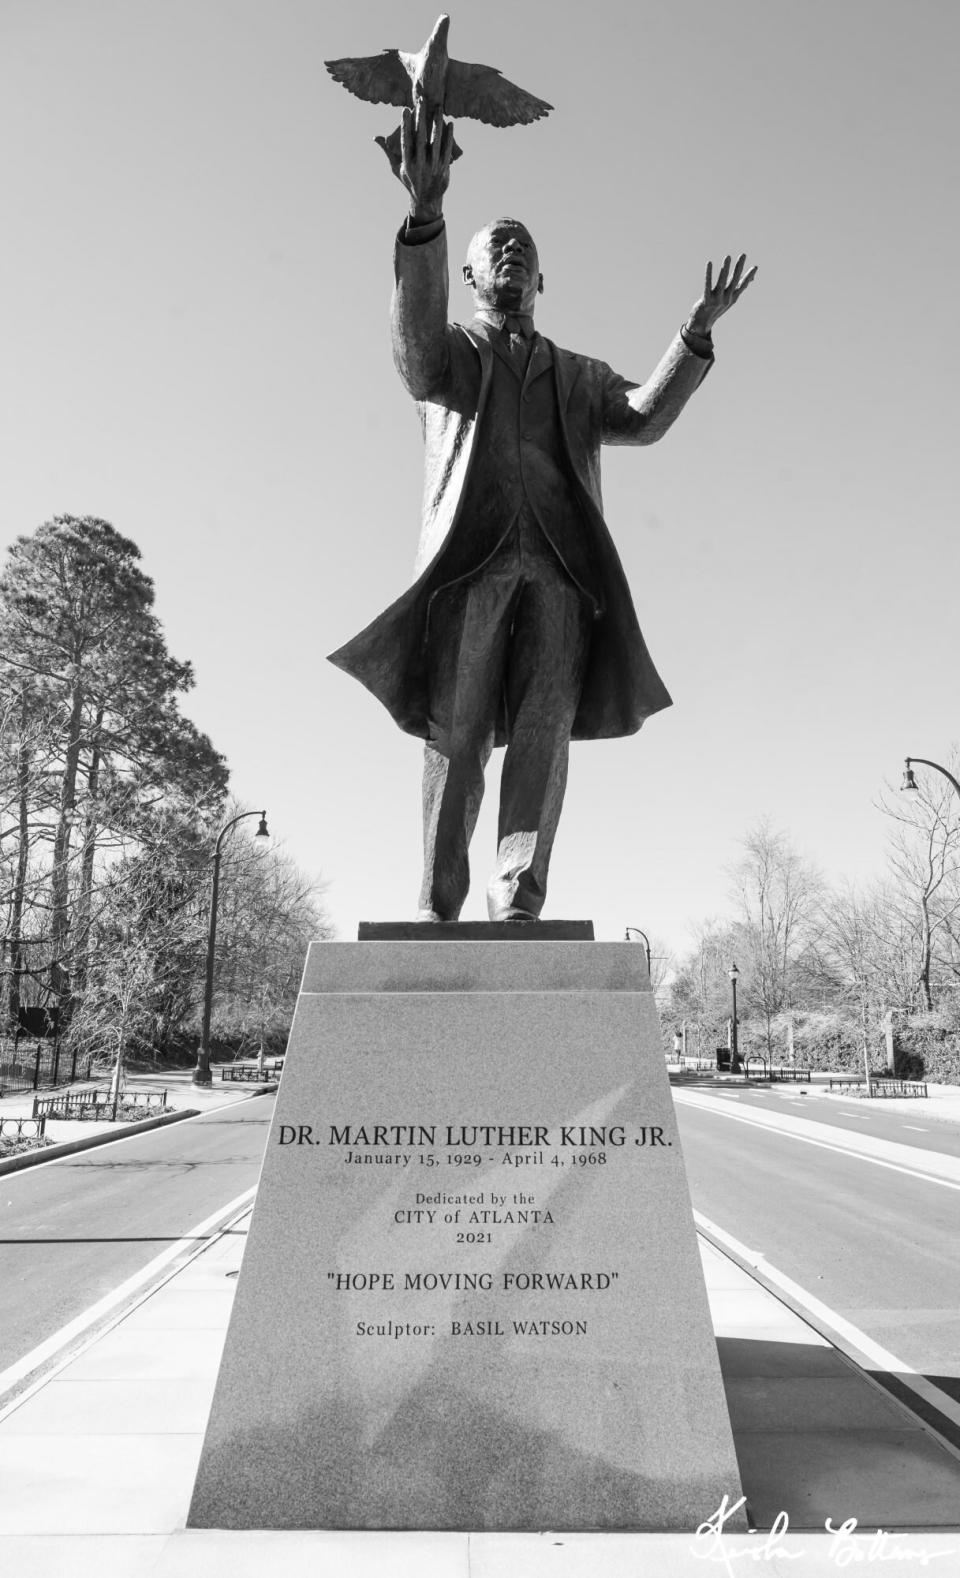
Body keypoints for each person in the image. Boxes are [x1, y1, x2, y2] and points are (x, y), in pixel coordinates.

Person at [329, 106, 756, 922]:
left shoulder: (578, 373)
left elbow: (644, 418)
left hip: (561, 575)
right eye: (497, 248)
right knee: (455, 737)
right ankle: (437, 901)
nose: (512, 256)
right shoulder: (456, 354)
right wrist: (426, 218)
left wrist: (692, 338)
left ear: (544, 280)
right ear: (472, 275)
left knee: (541, 736)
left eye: (525, 250)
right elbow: (414, 356)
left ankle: (519, 896)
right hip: (473, 567)